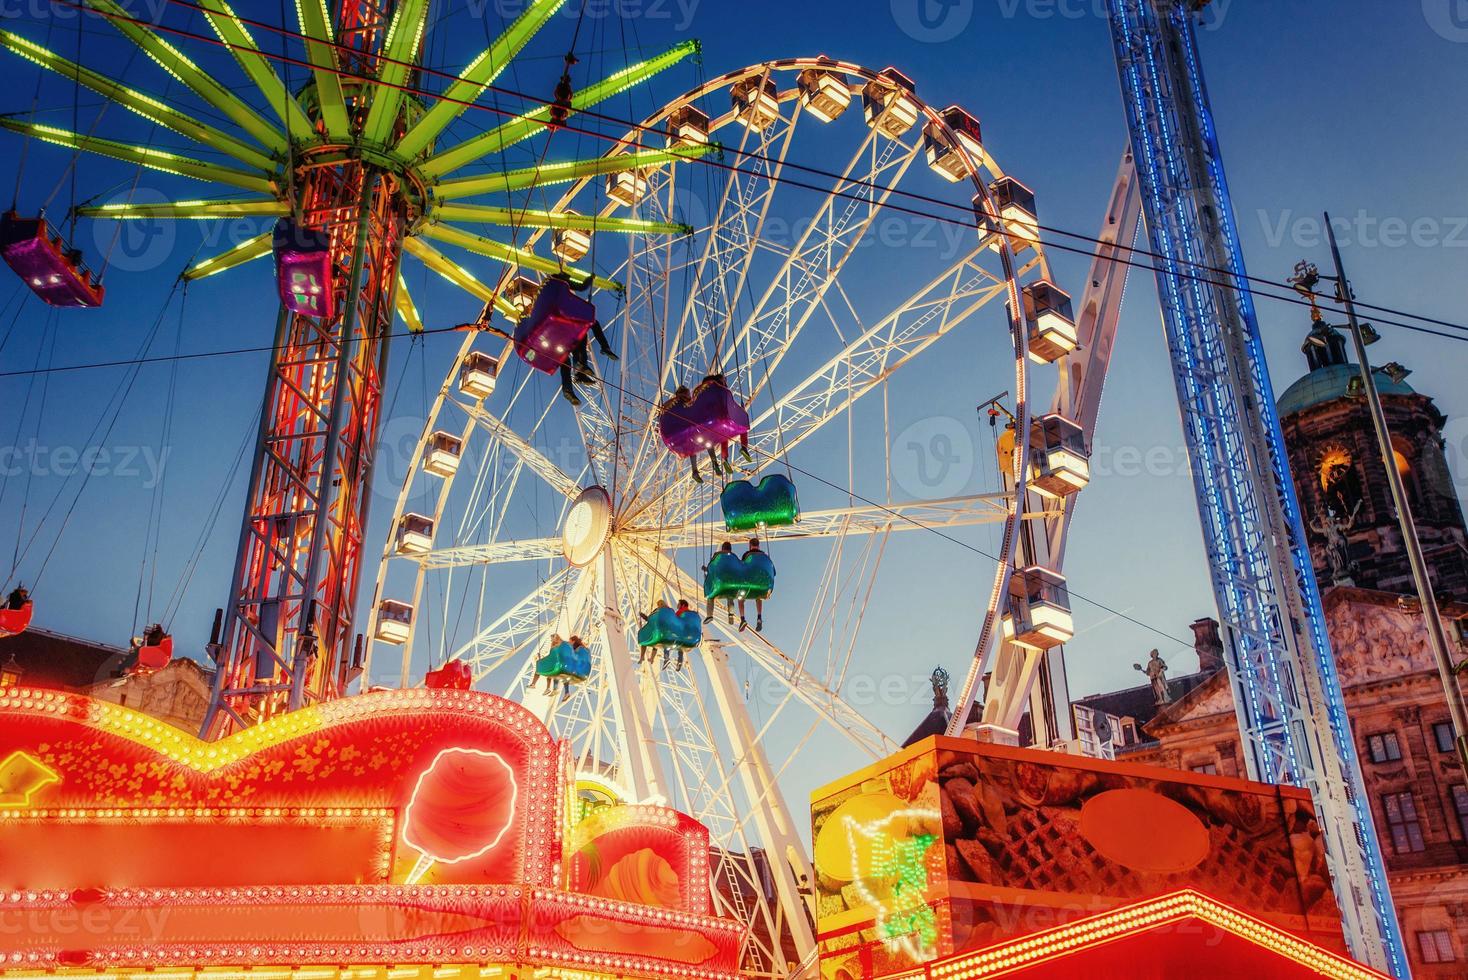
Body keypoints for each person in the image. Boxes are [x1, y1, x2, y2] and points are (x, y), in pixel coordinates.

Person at [739, 536, 767, 632]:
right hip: (759, 581)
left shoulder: (747, 554)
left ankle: (742, 619)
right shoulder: (763, 555)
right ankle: (759, 617)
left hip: (748, 581)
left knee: (740, 598)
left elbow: (742, 567)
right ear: (758, 546)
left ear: (750, 546)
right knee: (758, 596)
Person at [703, 541, 735, 624]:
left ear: (723, 548)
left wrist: (706, 569)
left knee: (711, 596)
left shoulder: (717, 555)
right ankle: (731, 614)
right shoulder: (733, 557)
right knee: (730, 596)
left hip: (719, 582)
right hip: (730, 581)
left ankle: (709, 615)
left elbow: (712, 567)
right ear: (730, 549)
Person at [638, 599, 668, 666]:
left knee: (656, 642)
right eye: (658, 605)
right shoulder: (656, 611)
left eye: (659, 604)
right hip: (654, 629)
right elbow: (649, 619)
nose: (658, 606)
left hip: (661, 630)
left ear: (663, 604)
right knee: (644, 640)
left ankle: (651, 658)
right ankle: (642, 656)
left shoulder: (666, 612)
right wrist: (643, 616)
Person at [668, 598, 695, 671]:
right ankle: (679, 662)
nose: (677, 605)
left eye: (678, 603)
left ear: (682, 605)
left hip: (681, 631)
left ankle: (667, 657)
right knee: (681, 648)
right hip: (689, 633)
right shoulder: (690, 612)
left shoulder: (680, 611)